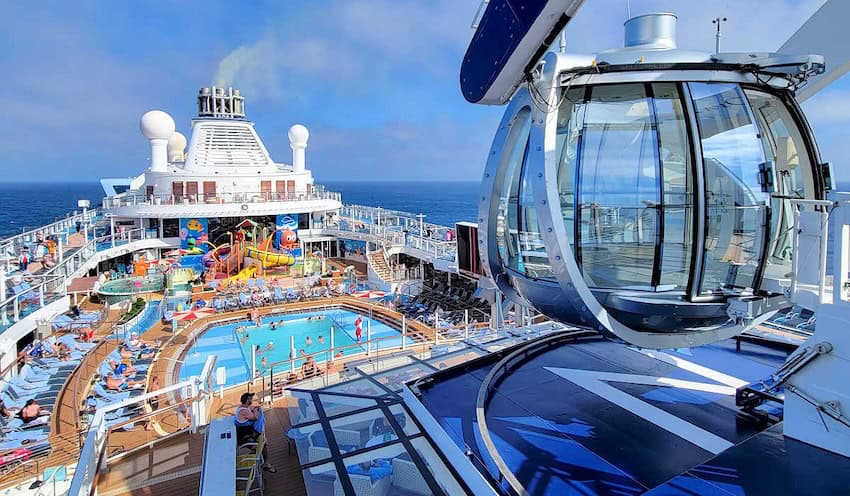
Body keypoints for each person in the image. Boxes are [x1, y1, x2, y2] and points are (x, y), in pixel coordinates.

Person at [234, 393, 276, 472]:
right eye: (250, 399)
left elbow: (255, 408)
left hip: (248, 432)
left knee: (264, 443)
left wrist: (255, 409)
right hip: (244, 436)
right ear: (247, 401)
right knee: (259, 447)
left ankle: (266, 463)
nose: (252, 400)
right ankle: (253, 459)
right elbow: (255, 417)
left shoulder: (243, 407)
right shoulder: (244, 411)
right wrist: (256, 410)